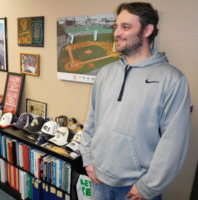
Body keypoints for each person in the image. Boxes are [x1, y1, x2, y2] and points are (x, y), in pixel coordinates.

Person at [80, 2, 191, 200]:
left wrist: (148, 187)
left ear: (147, 30)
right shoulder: (106, 73)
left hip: (136, 188)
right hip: (99, 180)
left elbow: (174, 142)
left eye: (126, 27)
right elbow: (91, 121)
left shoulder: (172, 79)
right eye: (116, 26)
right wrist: (88, 160)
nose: (116, 33)